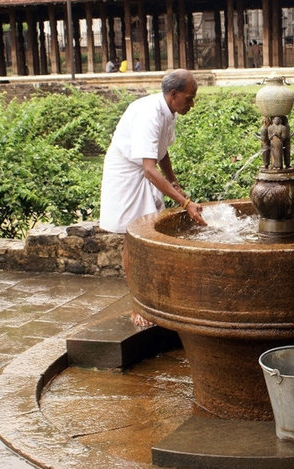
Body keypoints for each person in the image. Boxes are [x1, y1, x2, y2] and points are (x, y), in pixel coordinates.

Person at [99, 68, 206, 326]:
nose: (192, 103)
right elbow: (148, 169)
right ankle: (138, 306)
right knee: (134, 240)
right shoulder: (149, 114)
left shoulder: (169, 112)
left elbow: (162, 151)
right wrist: (186, 203)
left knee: (149, 236)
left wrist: (173, 181)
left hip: (143, 171)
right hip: (127, 175)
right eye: (189, 98)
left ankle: (155, 299)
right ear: (173, 94)